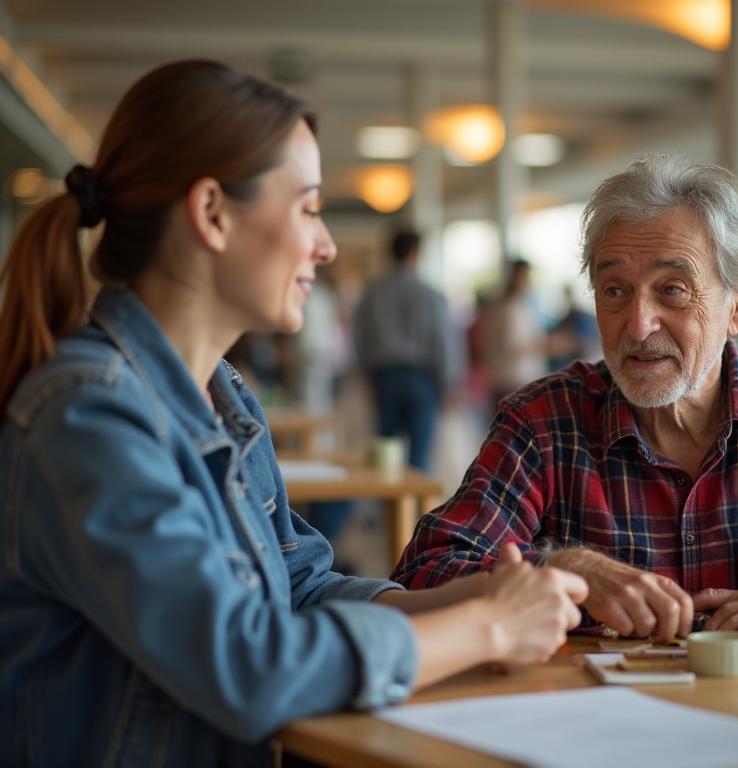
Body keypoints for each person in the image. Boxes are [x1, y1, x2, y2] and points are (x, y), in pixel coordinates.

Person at [0, 60, 587, 767]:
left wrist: (475, 597)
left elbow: (299, 585)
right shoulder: (86, 418)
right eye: (307, 207)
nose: (327, 243)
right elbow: (249, 665)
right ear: (212, 213)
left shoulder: (222, 395)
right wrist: (488, 629)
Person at [392, 155, 738, 647]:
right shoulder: (544, 420)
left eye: (673, 290)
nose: (637, 326)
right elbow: (425, 571)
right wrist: (559, 567)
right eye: (614, 291)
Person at [353, 229, 461, 471]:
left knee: (386, 455)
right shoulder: (430, 293)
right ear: (416, 253)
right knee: (420, 455)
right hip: (421, 378)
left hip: (384, 376)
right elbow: (443, 342)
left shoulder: (373, 292)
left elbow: (359, 337)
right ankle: (415, 508)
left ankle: (388, 507)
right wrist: (450, 381)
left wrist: (365, 373)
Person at [483, 258, 548, 410]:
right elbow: (513, 346)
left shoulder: (504, 306)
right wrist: (549, 345)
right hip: (513, 382)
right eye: (525, 276)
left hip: (508, 380)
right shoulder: (509, 308)